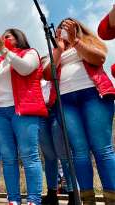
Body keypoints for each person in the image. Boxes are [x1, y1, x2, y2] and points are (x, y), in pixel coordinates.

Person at [44, 18, 115, 205]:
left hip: (93, 96)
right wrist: (58, 49)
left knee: (102, 150)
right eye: (61, 27)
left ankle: (111, 198)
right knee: (79, 152)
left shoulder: (87, 41)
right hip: (65, 102)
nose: (64, 29)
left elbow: (99, 58)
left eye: (69, 25)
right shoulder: (56, 50)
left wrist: (76, 41)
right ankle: (87, 199)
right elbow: (47, 75)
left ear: (77, 27)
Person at [0, 30, 48, 205]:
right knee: (8, 158)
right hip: (0, 113)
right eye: (1, 38)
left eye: (7, 36)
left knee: (29, 155)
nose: (3, 40)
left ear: (19, 38)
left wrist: (4, 51)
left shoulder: (30, 53)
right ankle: (14, 199)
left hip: (23, 110)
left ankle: (33, 199)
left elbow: (24, 69)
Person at [38, 79, 74, 205]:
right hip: (40, 111)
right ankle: (52, 194)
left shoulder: (54, 63)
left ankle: (72, 193)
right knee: (49, 156)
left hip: (56, 108)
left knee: (64, 154)